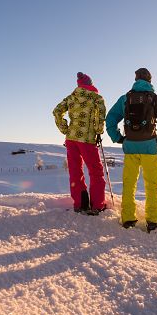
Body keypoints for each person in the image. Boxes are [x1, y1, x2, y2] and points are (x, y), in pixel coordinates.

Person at [106, 68, 157, 232]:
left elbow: (110, 119)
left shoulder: (125, 98)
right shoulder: (155, 99)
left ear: (136, 79)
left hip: (130, 148)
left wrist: (118, 138)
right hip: (150, 148)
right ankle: (152, 219)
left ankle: (128, 218)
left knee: (129, 184)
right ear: (150, 81)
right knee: (151, 185)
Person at [53, 72, 107, 215]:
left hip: (71, 140)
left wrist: (65, 129)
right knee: (95, 171)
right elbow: (101, 116)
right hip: (87, 139)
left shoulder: (71, 97)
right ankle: (97, 205)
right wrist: (98, 130)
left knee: (75, 171)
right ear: (90, 84)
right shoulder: (97, 98)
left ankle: (80, 204)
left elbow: (57, 111)